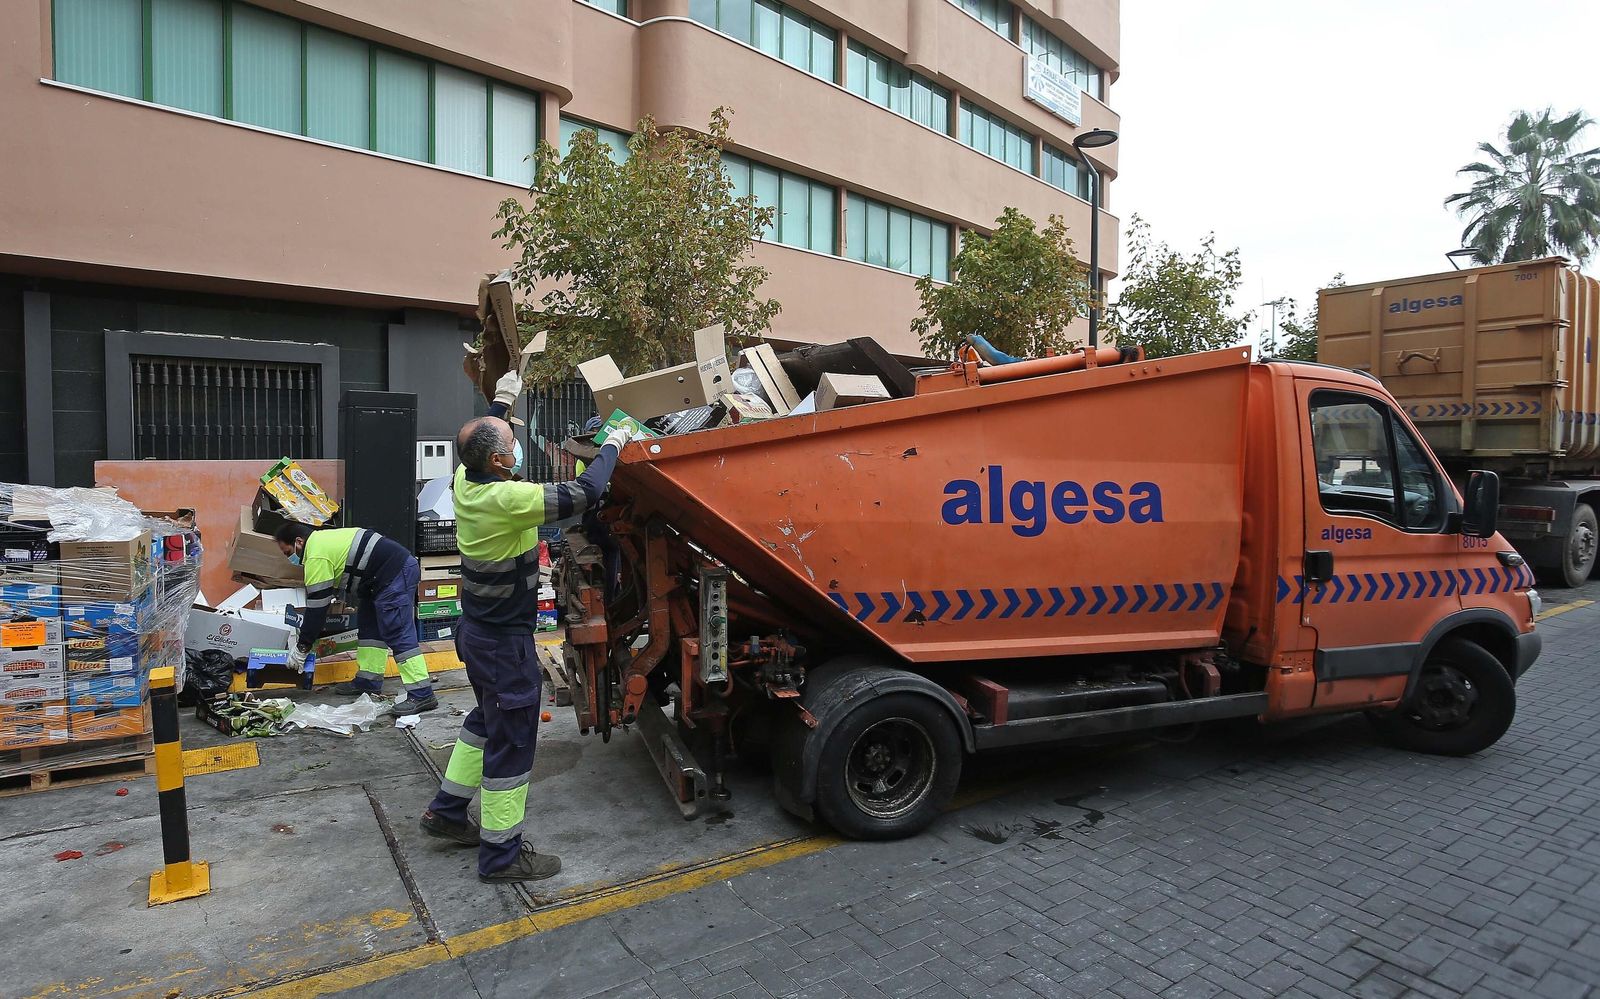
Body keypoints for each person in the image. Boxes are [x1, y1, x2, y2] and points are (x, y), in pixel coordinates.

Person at [419, 370, 638, 883]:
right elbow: (585, 492)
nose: (518, 450)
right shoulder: (507, 501)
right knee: (513, 744)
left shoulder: (465, 478)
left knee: (485, 720)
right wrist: (613, 443)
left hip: (474, 633)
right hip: (503, 643)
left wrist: (501, 399)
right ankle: (501, 857)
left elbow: (488, 433)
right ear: (499, 462)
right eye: (513, 446)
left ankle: (446, 813)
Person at [274, 522, 436, 715]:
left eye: (287, 552)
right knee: (370, 629)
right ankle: (368, 680)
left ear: (299, 542)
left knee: (397, 631)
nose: (289, 558)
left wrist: (302, 647)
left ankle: (422, 693)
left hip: (394, 574)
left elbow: (317, 607)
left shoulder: (316, 554)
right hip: (379, 579)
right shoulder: (321, 541)